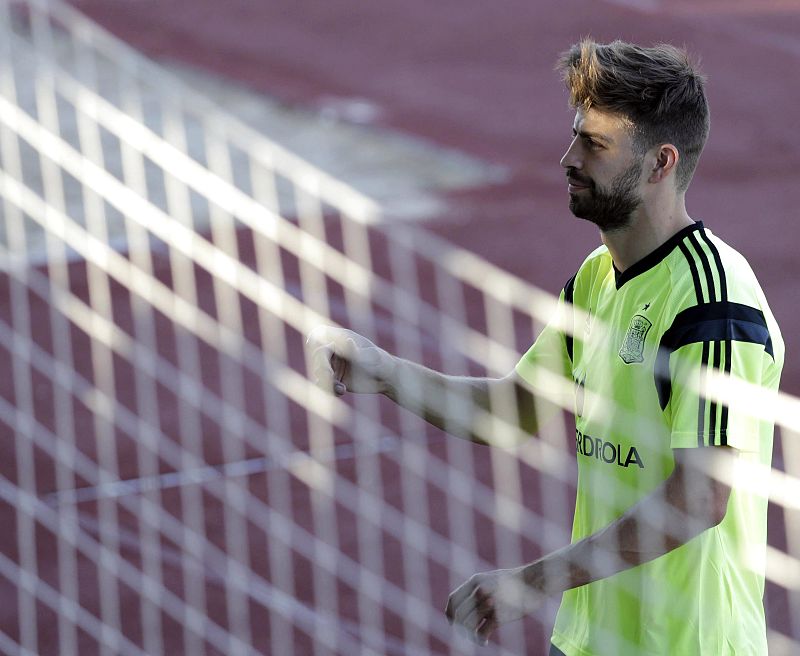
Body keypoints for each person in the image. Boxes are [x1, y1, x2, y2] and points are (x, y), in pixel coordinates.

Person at [307, 39, 783, 655]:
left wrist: (531, 583)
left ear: (661, 163)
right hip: (588, 640)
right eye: (576, 136)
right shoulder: (594, 278)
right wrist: (385, 372)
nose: (568, 157)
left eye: (595, 144)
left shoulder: (714, 301)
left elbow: (700, 497)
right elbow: (514, 411)